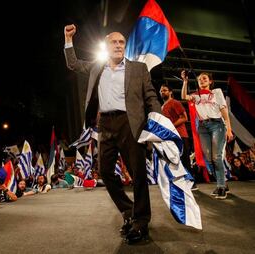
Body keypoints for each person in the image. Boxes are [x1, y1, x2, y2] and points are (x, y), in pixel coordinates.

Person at [64, 24, 161, 244]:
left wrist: (157, 119)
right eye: (113, 42)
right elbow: (73, 63)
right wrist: (68, 40)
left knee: (137, 174)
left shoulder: (138, 68)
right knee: (105, 172)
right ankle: (129, 210)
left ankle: (141, 221)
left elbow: (150, 96)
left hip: (130, 123)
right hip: (105, 123)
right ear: (106, 46)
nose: (118, 46)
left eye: (121, 43)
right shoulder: (97, 67)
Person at [181, 70, 233, 199]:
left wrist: (229, 128)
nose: (202, 80)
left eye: (205, 78)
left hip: (217, 125)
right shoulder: (196, 96)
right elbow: (183, 97)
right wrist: (185, 81)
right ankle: (222, 183)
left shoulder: (217, 92)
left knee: (216, 157)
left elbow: (223, 109)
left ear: (210, 81)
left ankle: (221, 187)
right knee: (208, 159)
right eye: (199, 79)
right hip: (203, 127)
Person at [159, 84, 197, 190]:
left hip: (180, 136)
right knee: (174, 161)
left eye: (165, 90)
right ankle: (180, 182)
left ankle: (192, 183)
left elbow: (184, 118)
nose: (162, 92)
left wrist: (171, 127)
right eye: (161, 91)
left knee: (184, 159)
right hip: (170, 137)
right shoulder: (162, 106)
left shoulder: (175, 103)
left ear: (170, 92)